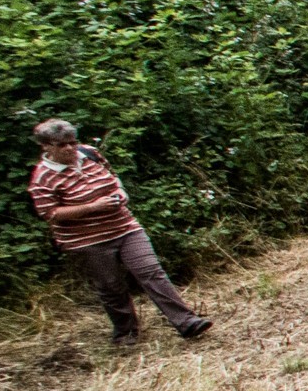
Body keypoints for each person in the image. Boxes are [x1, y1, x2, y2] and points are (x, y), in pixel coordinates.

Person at [27, 121, 211, 346]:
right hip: (87, 240)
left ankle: (186, 321)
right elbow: (50, 213)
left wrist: (121, 193)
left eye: (72, 142)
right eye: (62, 144)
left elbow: (113, 177)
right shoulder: (42, 177)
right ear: (46, 146)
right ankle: (126, 333)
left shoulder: (89, 153)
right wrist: (92, 207)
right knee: (110, 285)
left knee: (151, 272)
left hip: (124, 227)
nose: (70, 148)